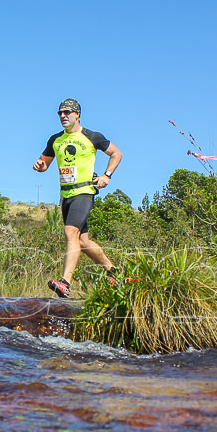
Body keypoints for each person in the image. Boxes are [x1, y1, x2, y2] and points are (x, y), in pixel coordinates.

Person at [33, 99, 122, 298]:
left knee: (70, 232)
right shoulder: (55, 140)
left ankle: (65, 283)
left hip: (84, 192)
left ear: (77, 115)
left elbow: (116, 153)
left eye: (67, 112)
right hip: (66, 196)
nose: (63, 116)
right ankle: (115, 273)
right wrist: (39, 166)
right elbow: (44, 163)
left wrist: (106, 175)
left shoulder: (92, 136)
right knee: (82, 241)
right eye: (60, 113)